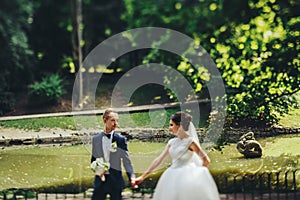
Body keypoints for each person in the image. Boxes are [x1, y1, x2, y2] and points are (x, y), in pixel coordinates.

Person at [135, 111, 220, 200]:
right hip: (171, 176)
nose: (169, 128)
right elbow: (158, 160)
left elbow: (206, 160)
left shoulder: (190, 142)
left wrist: (196, 177)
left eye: (172, 125)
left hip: (187, 178)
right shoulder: (172, 142)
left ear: (180, 126)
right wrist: (143, 177)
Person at [91, 108, 136, 200]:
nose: (116, 123)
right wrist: (98, 170)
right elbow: (93, 159)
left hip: (115, 181)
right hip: (100, 181)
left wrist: (132, 177)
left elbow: (126, 161)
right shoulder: (96, 139)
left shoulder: (120, 140)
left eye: (117, 121)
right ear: (105, 120)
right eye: (112, 120)